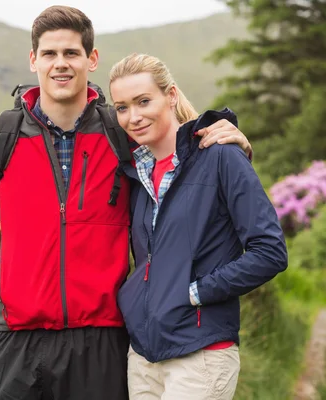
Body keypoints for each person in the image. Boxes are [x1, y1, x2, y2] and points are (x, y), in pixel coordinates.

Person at [0, 6, 252, 400]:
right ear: (33, 60)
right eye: (50, 54)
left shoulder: (123, 134)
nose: (61, 64)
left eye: (72, 53)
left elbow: (189, 161)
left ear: (91, 59)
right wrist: (5, 286)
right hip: (15, 341)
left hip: (102, 342)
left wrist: (234, 141)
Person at [109, 53, 288, 400]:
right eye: (122, 107)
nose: (134, 116)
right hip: (144, 357)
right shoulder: (136, 174)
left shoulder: (221, 155)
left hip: (201, 354)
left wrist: (195, 292)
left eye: (144, 101)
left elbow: (270, 252)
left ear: (171, 95)